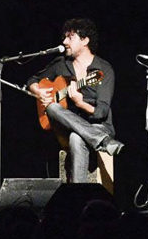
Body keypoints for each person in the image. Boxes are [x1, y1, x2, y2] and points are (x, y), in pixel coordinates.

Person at [26, 18, 122, 184]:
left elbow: (102, 112)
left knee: (76, 138)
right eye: (65, 37)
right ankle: (102, 141)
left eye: (70, 37)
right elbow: (32, 80)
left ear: (85, 40)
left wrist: (80, 103)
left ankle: (78, 196)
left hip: (99, 126)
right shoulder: (60, 64)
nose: (64, 42)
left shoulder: (103, 69)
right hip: (69, 126)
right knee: (52, 107)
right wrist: (38, 91)